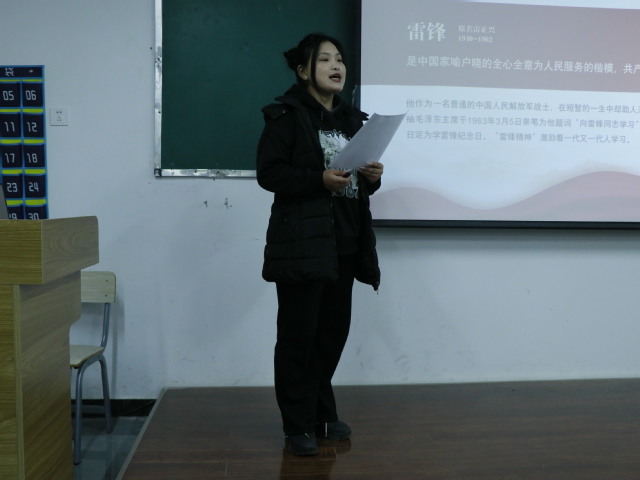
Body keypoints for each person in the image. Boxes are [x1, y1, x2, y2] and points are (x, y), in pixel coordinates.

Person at [256, 32, 383, 456]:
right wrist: (318, 179)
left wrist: (372, 177)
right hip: (303, 244)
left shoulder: (353, 121)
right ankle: (297, 425)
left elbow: (359, 185)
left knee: (331, 336)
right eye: (325, 59)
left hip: (345, 243)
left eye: (339, 59)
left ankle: (321, 412)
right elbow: (269, 173)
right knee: (298, 337)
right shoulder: (287, 116)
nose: (336, 66)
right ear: (303, 70)